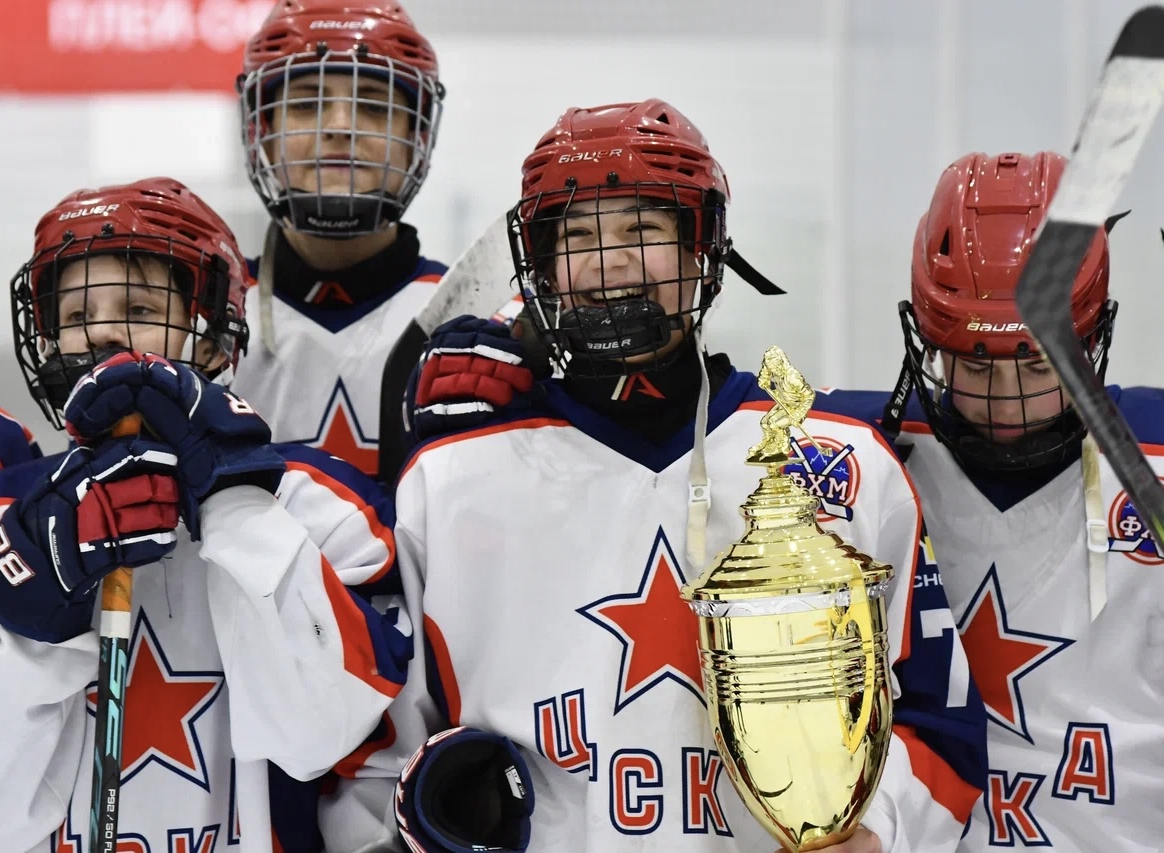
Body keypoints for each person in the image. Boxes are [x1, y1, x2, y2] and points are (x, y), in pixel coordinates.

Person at [374, 100, 988, 853]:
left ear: (703, 250)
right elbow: (379, 753)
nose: (609, 259)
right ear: (537, 267)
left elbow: (939, 721)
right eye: (576, 235)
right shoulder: (450, 479)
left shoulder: (842, 463)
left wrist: (878, 827)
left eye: (643, 230)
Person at [0, 178, 413, 852]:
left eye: (136, 304)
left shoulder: (315, 502)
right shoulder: (11, 511)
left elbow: (319, 734)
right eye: (76, 315)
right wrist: (36, 621)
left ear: (216, 341)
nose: (102, 329)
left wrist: (235, 500)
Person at [835, 150, 1161, 852]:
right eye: (975, 363)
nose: (1006, 401)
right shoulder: (858, 453)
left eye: (1039, 362)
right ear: (929, 343)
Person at [231, 0, 449, 476]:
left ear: (416, 135)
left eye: (373, 106)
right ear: (262, 132)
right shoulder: (202, 324)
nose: (339, 126)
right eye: (306, 103)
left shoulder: (469, 318)